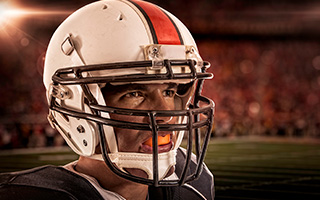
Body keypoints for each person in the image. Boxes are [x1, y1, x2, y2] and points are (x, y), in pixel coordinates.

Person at [0, 0, 215, 199]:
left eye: (169, 92)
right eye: (135, 94)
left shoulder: (195, 186)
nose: (165, 115)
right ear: (73, 102)